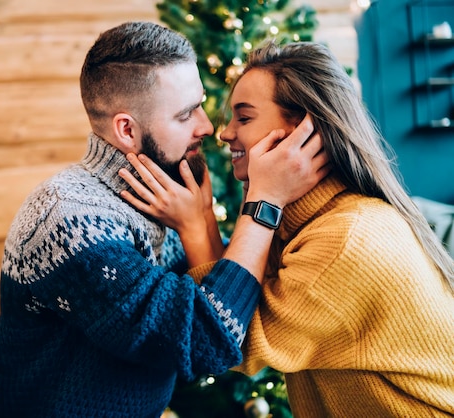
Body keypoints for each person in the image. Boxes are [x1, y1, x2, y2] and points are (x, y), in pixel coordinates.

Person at [0, 22, 328, 417]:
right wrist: (265, 201)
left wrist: (198, 223)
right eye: (185, 115)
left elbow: (230, 308)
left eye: (200, 104)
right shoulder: (67, 217)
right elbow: (206, 339)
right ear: (126, 130)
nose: (207, 127)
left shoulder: (163, 196)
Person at [120, 40, 454, 417]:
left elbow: (228, 341)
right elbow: (235, 301)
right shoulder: (306, 225)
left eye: (243, 118)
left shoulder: (346, 239)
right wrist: (206, 220)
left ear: (303, 134)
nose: (224, 133)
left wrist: (221, 217)